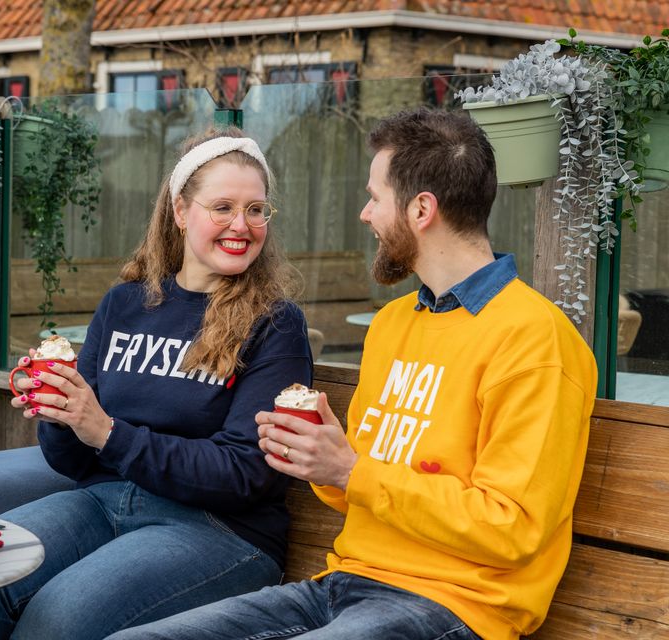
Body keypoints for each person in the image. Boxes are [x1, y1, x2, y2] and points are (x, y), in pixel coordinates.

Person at [106, 108, 597, 640]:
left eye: (375, 197)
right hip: (344, 582)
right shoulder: (392, 324)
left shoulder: (534, 339)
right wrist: (318, 455)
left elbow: (513, 528)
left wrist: (350, 471)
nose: (365, 214)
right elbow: (357, 481)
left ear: (421, 209)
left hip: (459, 606)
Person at [0, 127, 313, 640]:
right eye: (222, 207)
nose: (240, 225)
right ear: (181, 211)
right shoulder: (127, 303)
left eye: (255, 209)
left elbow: (245, 473)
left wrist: (107, 432)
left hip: (220, 530)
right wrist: (61, 414)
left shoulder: (274, 323)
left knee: (59, 619)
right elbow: (72, 459)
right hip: (103, 501)